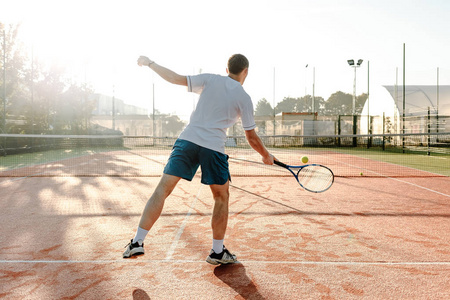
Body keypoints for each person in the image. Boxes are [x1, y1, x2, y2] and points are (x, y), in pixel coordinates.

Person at [123, 54, 274, 265]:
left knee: (162, 190)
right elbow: (251, 136)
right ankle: (217, 251)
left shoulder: (211, 79)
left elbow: (175, 78)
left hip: (188, 140)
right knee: (221, 197)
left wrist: (150, 63)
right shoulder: (244, 98)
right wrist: (266, 155)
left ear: (227, 67)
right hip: (213, 147)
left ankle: (137, 241)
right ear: (245, 71)